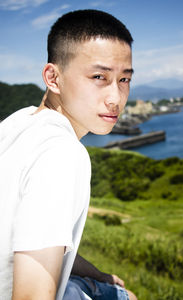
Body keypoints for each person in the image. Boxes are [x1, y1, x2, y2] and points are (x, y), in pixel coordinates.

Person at [0, 9, 136, 300]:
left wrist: (96, 273)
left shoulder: (16, 123)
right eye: (99, 76)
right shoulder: (62, 153)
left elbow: (27, 238)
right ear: (53, 77)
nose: (115, 99)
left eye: (124, 79)